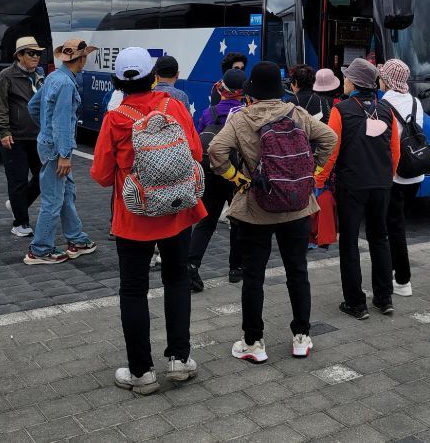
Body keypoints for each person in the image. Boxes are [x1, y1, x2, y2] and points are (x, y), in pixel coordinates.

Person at [91, 47, 206, 394]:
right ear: (153, 76)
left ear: (117, 81)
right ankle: (180, 359)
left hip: (134, 216)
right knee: (177, 280)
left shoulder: (115, 118)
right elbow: (196, 153)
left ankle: (141, 372)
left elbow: (101, 175)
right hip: (177, 210)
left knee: (133, 290)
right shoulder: (174, 107)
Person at [208, 61, 337, 363]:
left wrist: (236, 178)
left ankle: (254, 342)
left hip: (257, 208)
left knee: (254, 275)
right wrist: (310, 172)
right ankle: (301, 337)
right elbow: (330, 138)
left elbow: (215, 150)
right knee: (297, 271)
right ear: (280, 90)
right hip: (297, 206)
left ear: (251, 92)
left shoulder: (241, 119)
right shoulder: (297, 113)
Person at [315, 57, 400, 320]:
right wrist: (387, 176)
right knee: (380, 238)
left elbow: (331, 150)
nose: (344, 81)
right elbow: (395, 151)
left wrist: (318, 180)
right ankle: (384, 298)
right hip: (381, 184)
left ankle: (355, 303)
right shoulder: (386, 109)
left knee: (350, 242)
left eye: (346, 77)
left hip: (352, 184)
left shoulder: (341, 110)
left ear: (354, 82)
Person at [24, 39, 97, 265]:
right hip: (57, 149)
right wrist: (64, 154)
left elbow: (33, 107)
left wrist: (46, 130)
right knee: (54, 199)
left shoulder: (54, 77)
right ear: (81, 58)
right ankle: (40, 249)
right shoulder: (66, 84)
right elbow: (63, 122)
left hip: (49, 144)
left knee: (65, 193)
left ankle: (77, 238)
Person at [188, 67, 247, 291]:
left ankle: (191, 265)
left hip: (211, 171)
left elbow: (198, 141)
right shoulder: (246, 114)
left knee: (207, 221)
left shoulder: (208, 113)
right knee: (237, 220)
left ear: (221, 89)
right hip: (236, 174)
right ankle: (235, 268)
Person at [0, 37, 46, 238]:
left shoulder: (40, 75)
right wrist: (4, 132)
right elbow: (0, 106)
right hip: (15, 137)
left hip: (38, 136)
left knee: (43, 177)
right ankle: (20, 222)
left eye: (38, 53)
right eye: (31, 53)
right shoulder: (7, 75)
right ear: (19, 55)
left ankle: (18, 204)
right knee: (18, 180)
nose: (36, 57)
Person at [379, 59, 423, 297]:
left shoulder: (384, 104)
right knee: (398, 224)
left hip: (395, 175)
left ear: (387, 80)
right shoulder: (416, 102)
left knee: (393, 228)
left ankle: (402, 280)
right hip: (416, 172)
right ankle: (395, 275)